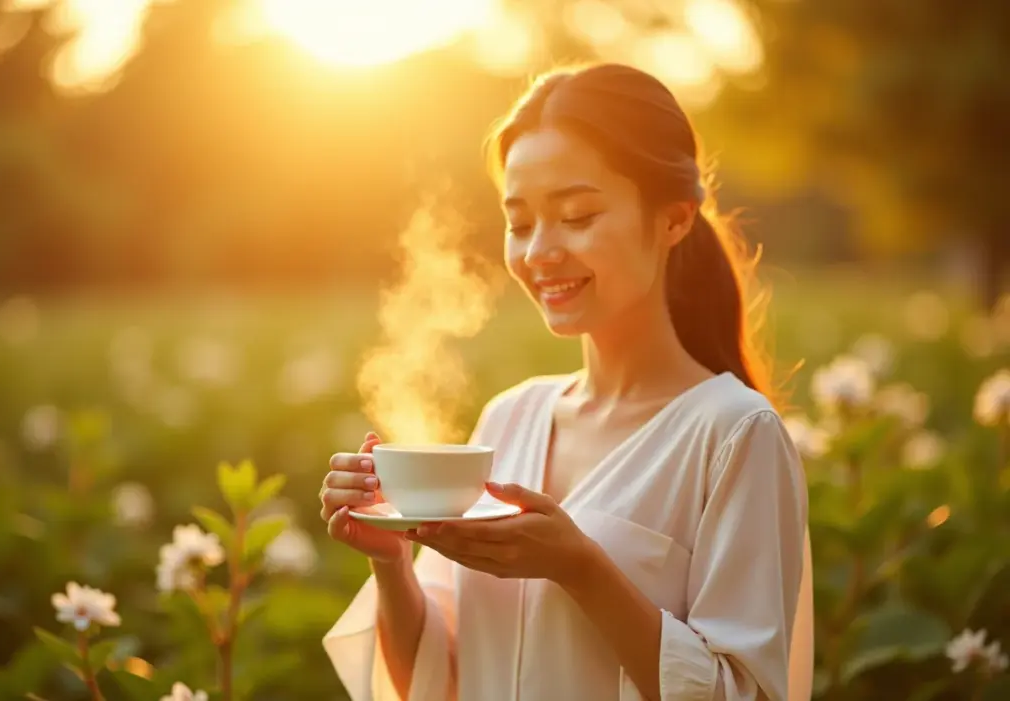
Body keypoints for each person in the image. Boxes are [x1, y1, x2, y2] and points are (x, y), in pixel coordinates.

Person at [319, 62, 814, 701]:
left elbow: (746, 694)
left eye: (577, 216)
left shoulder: (734, 434)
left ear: (673, 220)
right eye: (520, 223)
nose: (539, 252)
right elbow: (440, 679)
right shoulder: (509, 418)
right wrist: (389, 560)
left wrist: (580, 568)